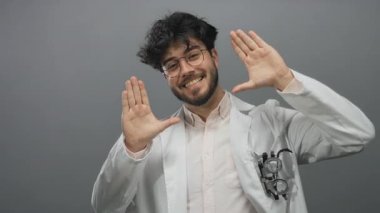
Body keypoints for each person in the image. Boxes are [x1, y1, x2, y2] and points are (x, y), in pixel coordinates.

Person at [91, 12, 375, 213]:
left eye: (193, 55)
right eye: (172, 65)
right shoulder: (151, 145)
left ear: (214, 56)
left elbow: (357, 134)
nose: (186, 70)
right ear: (165, 75)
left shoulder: (272, 123)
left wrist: (285, 80)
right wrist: (132, 148)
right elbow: (105, 206)